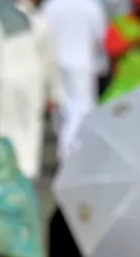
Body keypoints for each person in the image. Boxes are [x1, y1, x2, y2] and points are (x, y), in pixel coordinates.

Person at [0, 0, 60, 178]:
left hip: (1, 79)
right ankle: (27, 172)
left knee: (1, 127)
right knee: (29, 130)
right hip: (32, 81)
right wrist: (53, 93)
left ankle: (0, 172)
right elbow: (49, 59)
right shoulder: (40, 20)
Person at [44, 0, 106, 158]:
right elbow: (100, 36)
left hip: (56, 61)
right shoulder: (92, 6)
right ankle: (69, 151)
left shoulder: (51, 6)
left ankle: (66, 148)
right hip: (83, 63)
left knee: (63, 108)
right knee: (81, 108)